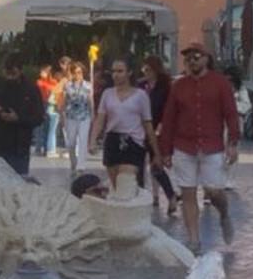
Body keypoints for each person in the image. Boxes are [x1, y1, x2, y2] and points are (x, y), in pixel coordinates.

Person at [158, 43, 240, 249]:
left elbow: (231, 114)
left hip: (212, 146)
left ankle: (224, 213)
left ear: (206, 59)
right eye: (188, 58)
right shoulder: (178, 86)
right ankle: (194, 239)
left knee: (214, 192)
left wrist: (232, 142)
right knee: (188, 192)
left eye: (196, 56)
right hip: (184, 146)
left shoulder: (220, 84)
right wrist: (165, 151)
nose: (192, 61)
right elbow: (168, 119)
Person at [0, 51, 47, 177]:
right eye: (7, 72)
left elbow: (38, 117)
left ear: (20, 70)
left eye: (13, 73)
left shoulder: (30, 89)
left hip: (19, 147)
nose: (10, 77)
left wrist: (18, 119)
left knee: (18, 188)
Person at [90, 58, 159, 192]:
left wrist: (156, 153)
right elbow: (100, 119)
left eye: (120, 71)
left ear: (129, 72)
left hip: (133, 142)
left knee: (126, 183)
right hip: (112, 140)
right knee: (116, 187)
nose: (116, 75)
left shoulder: (141, 96)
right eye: (113, 71)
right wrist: (92, 140)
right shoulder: (107, 94)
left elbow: (148, 124)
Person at [141, 56, 179, 215]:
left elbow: (168, 109)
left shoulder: (165, 88)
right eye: (144, 70)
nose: (145, 73)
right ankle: (141, 196)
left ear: (155, 70)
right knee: (137, 165)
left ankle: (171, 195)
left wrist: (163, 127)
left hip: (157, 129)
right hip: (139, 129)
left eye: (148, 70)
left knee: (157, 164)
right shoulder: (141, 86)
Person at [57, 61, 93, 172]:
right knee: (71, 142)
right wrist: (61, 115)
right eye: (75, 72)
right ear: (72, 73)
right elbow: (64, 101)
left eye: (80, 72)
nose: (78, 75)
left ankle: (81, 165)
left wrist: (93, 115)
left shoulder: (88, 85)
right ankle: (73, 161)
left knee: (83, 140)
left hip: (84, 116)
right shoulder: (67, 85)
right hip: (70, 116)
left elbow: (91, 101)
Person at [36, 63, 60, 157]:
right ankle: (44, 148)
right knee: (44, 128)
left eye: (44, 71)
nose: (41, 73)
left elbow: (56, 91)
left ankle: (46, 148)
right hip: (43, 104)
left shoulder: (52, 82)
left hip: (49, 104)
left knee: (48, 128)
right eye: (41, 71)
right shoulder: (39, 82)